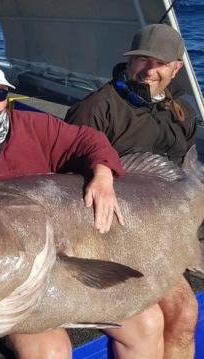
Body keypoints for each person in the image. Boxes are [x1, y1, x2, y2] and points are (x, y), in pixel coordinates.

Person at [0, 62, 166, 359]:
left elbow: (88, 140)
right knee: (50, 352)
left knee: (148, 322)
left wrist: (103, 174)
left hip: (65, 259)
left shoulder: (34, 126)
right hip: (7, 281)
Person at [65, 24, 197, 358]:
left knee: (184, 316)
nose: (149, 69)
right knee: (168, 316)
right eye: (141, 59)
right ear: (129, 60)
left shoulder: (181, 112)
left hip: (166, 224)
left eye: (160, 62)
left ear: (175, 68)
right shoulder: (96, 109)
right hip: (117, 232)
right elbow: (65, 179)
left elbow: (185, 169)